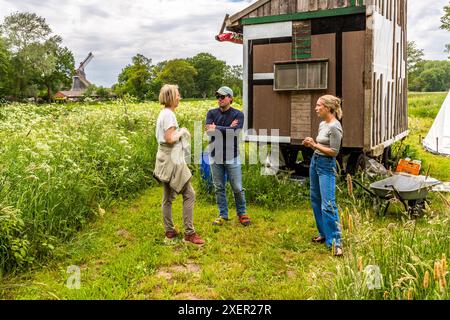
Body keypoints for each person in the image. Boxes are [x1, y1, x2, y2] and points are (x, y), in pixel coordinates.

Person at [153, 84, 205, 245]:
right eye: (178, 94)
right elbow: (169, 138)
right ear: (171, 97)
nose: (180, 97)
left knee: (168, 197)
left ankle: (169, 231)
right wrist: (182, 132)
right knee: (189, 194)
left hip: (163, 157)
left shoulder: (163, 113)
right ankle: (189, 233)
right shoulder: (169, 115)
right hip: (172, 158)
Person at [302, 95, 343, 257]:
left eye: (319, 105)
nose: (316, 108)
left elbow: (334, 152)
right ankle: (324, 233)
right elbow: (320, 145)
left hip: (327, 165)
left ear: (328, 108)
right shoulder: (322, 124)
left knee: (328, 203)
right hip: (316, 161)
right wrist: (312, 143)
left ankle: (336, 242)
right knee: (316, 199)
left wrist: (314, 144)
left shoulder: (335, 127)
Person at [205, 86, 251, 227]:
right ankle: (222, 215)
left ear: (230, 98)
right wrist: (228, 128)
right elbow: (209, 132)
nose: (219, 99)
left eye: (222, 96)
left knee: (237, 187)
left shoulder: (238, 114)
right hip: (215, 156)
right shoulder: (211, 113)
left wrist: (217, 128)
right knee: (219, 187)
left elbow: (235, 132)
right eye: (217, 96)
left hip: (232, 156)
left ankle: (242, 213)